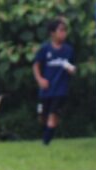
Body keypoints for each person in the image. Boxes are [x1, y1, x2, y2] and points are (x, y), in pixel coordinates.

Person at [32, 18, 76, 146]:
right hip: (46, 89)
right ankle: (46, 135)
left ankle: (45, 143)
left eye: (65, 31)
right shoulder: (45, 49)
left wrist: (71, 69)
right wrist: (40, 79)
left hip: (60, 89)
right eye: (61, 30)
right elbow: (36, 65)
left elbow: (73, 68)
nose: (63, 33)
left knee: (53, 115)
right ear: (52, 33)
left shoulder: (68, 50)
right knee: (43, 116)